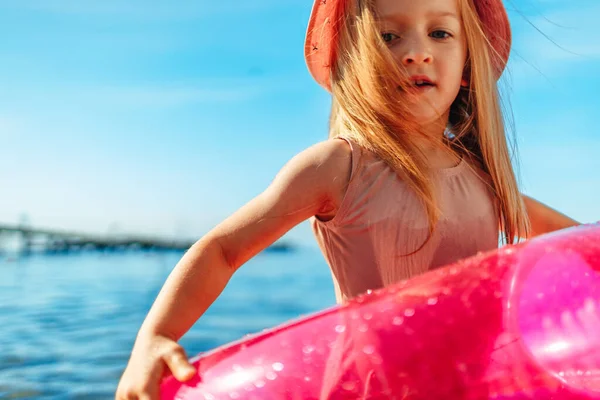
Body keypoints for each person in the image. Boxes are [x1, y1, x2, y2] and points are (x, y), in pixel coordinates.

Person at [116, 0, 580, 398]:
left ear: (467, 66)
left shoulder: (485, 181)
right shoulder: (338, 168)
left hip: (469, 384)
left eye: (440, 33)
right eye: (388, 37)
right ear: (356, 59)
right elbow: (222, 249)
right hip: (368, 388)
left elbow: (577, 244)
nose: (416, 52)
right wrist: (155, 337)